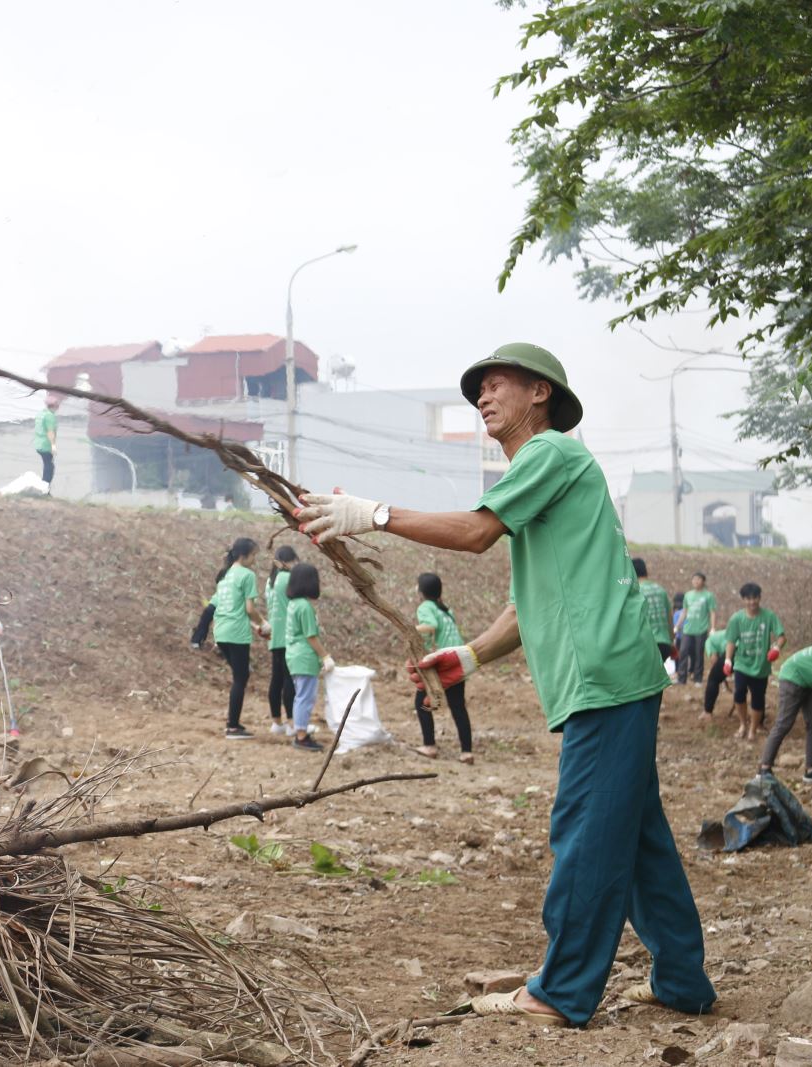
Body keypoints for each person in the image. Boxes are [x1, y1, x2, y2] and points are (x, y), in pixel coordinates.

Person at [295, 342, 714, 1027]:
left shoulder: (549, 453)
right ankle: (683, 981)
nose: (483, 398)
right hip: (613, 677)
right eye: (477, 391)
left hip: (603, 677)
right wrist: (472, 654)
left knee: (582, 829)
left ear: (540, 392)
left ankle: (560, 991)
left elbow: (474, 531)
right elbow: (529, 604)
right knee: (637, 838)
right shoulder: (547, 481)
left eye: (495, 385)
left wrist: (373, 515)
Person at [413, 572, 474, 764]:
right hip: (460, 657)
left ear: (420, 591)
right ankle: (466, 752)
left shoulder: (425, 607)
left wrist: (410, 629)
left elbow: (429, 627)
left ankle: (429, 746)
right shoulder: (446, 610)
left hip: (444, 660)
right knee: (458, 706)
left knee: (422, 702)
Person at [211, 537, 265, 740]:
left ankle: (233, 723)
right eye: (253, 556)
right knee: (240, 678)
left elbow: (227, 607)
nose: (254, 560)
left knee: (239, 676)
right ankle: (232, 726)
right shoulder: (246, 575)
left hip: (222, 631)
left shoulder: (225, 575)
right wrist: (263, 624)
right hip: (236, 633)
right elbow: (250, 609)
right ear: (243, 556)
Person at [723, 582, 785, 741]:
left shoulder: (769, 616)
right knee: (739, 694)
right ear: (743, 599)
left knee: (758, 698)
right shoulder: (737, 618)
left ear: (759, 598)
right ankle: (743, 724)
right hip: (742, 664)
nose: (752, 602)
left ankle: (753, 729)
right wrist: (728, 660)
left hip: (761, 666)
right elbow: (731, 640)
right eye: (748, 599)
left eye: (755, 598)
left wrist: (776, 649)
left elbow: (781, 636)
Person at [282, 563, 329, 752]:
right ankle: (301, 736)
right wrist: (325, 656)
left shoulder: (293, 604)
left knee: (301, 696)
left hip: (294, 655)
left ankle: (300, 731)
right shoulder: (304, 606)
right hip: (305, 657)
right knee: (305, 697)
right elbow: (311, 636)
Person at [761, 645, 812, 783]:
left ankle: (811, 770)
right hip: (792, 675)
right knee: (784, 723)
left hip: (809, 680)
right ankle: (764, 768)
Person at [264, 545, 299, 735]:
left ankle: (277, 722)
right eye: (293, 561)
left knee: (276, 678)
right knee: (289, 679)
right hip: (289, 634)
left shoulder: (270, 581)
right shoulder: (288, 578)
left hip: (274, 635)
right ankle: (293, 723)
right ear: (287, 561)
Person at [677, 573, 717, 685]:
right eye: (694, 579)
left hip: (701, 629)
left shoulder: (708, 596)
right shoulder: (688, 595)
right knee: (683, 651)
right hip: (687, 629)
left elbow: (712, 612)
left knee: (699, 653)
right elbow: (684, 611)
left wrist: (713, 627)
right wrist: (677, 625)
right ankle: (681, 678)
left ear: (703, 581)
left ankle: (698, 678)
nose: (695, 581)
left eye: (698, 579)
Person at [633, 559, 673, 663]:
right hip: (665, 644)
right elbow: (669, 618)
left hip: (647, 644)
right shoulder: (660, 589)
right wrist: (672, 642)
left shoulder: (635, 591)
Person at [700, 627, 729, 724]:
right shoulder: (721, 634)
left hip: (731, 649)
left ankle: (707, 712)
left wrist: (718, 676)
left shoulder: (708, 642)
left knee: (713, 679)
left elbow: (714, 660)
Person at [34, 393, 61, 492]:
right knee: (49, 467)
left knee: (47, 465)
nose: (58, 406)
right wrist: (53, 446)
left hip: (38, 444)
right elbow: (50, 432)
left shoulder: (41, 413)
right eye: (57, 404)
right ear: (54, 406)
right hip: (45, 445)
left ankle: (44, 488)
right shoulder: (50, 416)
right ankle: (45, 489)